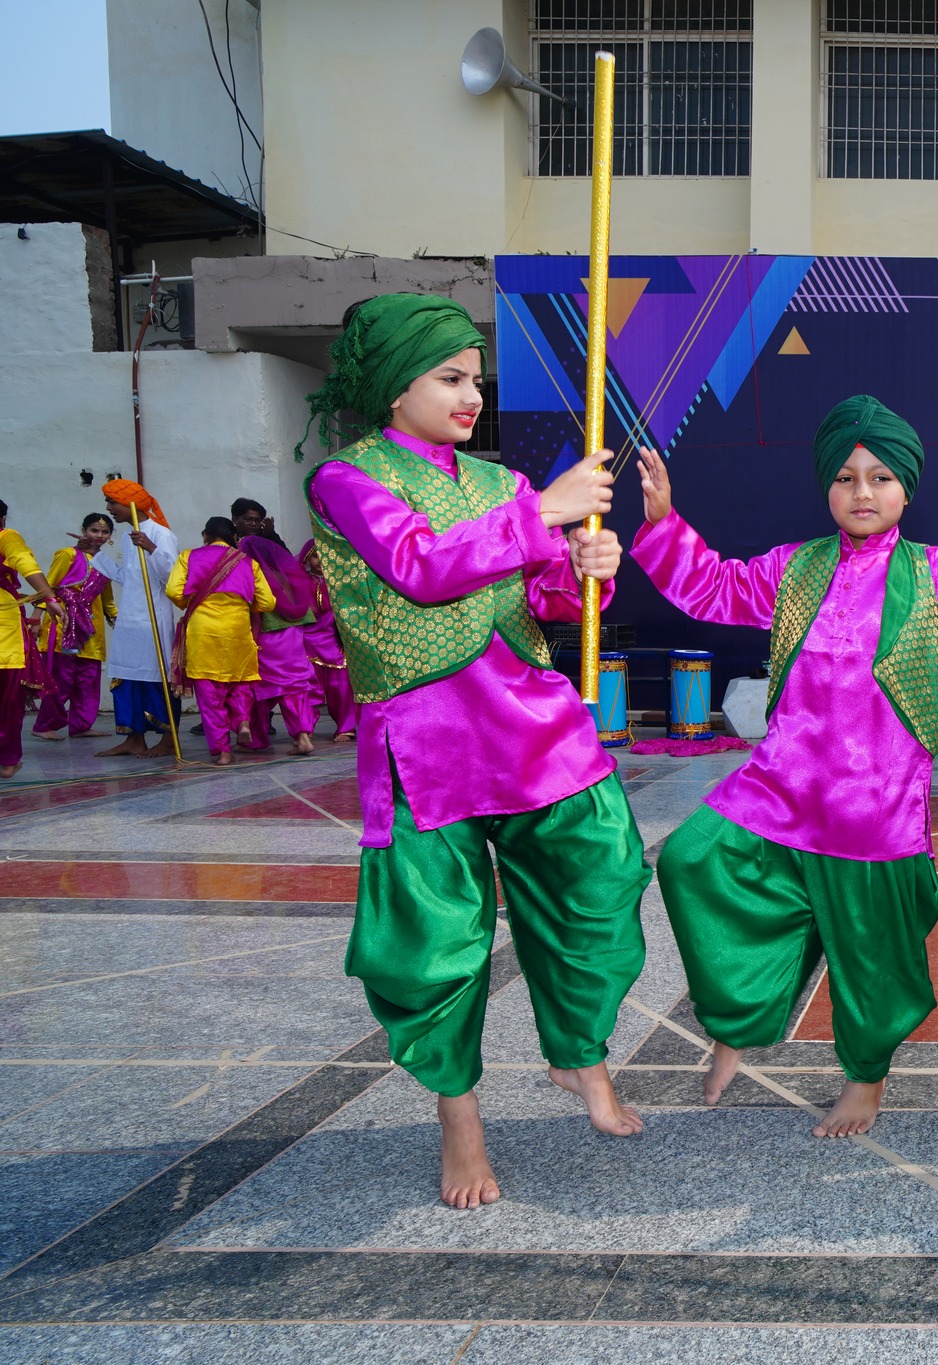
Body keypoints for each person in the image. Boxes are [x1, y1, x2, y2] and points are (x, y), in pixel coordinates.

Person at [302, 292, 648, 1209]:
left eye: (477, 380)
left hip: (534, 724)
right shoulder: (347, 479)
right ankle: (460, 1116)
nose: (470, 396)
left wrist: (584, 575)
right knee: (438, 948)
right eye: (449, 378)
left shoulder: (498, 486)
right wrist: (547, 511)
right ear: (393, 385)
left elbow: (546, 604)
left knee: (602, 881)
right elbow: (417, 565)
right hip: (424, 745)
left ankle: (579, 1055)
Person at [633, 396, 938, 1138]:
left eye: (881, 478)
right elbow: (716, 588)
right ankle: (737, 1022)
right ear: (828, 486)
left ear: (906, 489)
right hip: (778, 791)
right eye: (848, 477)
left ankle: (866, 1080)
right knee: (694, 860)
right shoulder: (795, 567)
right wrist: (664, 523)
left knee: (871, 963)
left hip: (875, 808)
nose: (863, 492)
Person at [167, 517, 275, 766]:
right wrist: (246, 606)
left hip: (203, 631)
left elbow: (173, 591)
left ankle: (223, 751)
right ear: (233, 537)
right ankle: (242, 722)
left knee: (209, 692)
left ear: (206, 535)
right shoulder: (249, 562)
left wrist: (189, 603)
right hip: (237, 629)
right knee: (240, 684)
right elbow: (268, 603)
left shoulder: (188, 556)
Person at [91, 478, 181, 758]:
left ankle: (168, 739)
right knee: (126, 678)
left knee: (156, 678)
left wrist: (151, 548)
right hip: (129, 621)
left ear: (130, 503)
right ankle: (134, 738)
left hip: (152, 619)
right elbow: (125, 577)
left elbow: (172, 577)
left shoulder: (160, 534)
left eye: (112, 502)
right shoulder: (133, 537)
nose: (109, 509)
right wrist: (96, 554)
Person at [31, 512, 117, 741]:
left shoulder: (105, 564)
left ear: (110, 536)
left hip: (91, 628)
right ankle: (44, 725)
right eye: (94, 530)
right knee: (62, 679)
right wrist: (36, 618)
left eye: (104, 532)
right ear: (84, 530)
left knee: (88, 680)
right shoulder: (68, 554)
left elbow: (107, 602)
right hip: (63, 624)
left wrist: (123, 623)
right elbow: (48, 586)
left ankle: (81, 725)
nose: (99, 535)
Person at [242, 534, 322, 756]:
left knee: (258, 687)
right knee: (293, 687)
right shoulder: (287, 577)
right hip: (294, 638)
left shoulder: (255, 574)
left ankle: (255, 738)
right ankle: (303, 735)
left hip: (269, 640)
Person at [0, 499, 56, 779]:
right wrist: (49, 596)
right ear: (3, 520)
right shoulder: (6, 537)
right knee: (7, 699)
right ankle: (7, 761)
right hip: (4, 630)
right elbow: (23, 561)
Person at [298, 539, 357, 740]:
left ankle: (345, 728)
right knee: (308, 688)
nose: (320, 560)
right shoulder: (299, 581)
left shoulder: (340, 582)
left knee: (340, 688)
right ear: (307, 557)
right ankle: (305, 729)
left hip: (334, 641)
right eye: (315, 555)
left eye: (324, 555)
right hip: (308, 641)